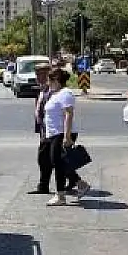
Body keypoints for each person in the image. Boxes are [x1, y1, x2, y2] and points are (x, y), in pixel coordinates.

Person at [42, 67, 90, 206]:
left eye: (49, 80)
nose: (47, 83)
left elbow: (68, 114)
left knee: (58, 163)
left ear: (56, 80)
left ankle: (60, 195)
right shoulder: (55, 94)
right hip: (54, 134)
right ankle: (81, 184)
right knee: (59, 163)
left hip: (62, 133)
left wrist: (67, 137)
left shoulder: (65, 93)